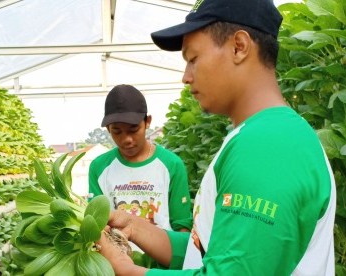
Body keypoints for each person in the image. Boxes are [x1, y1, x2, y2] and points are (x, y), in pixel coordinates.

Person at [96, 0, 337, 275]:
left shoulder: (268, 145)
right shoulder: (262, 135)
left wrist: (128, 271)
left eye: (193, 59)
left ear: (239, 46)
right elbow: (213, 249)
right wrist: (135, 227)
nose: (185, 77)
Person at [88, 84, 192, 233]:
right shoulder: (99, 167)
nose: (127, 139)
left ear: (147, 121)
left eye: (134, 129)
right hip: (115, 254)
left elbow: (182, 225)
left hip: (161, 255)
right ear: (108, 129)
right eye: (117, 131)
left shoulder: (171, 164)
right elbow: (97, 222)